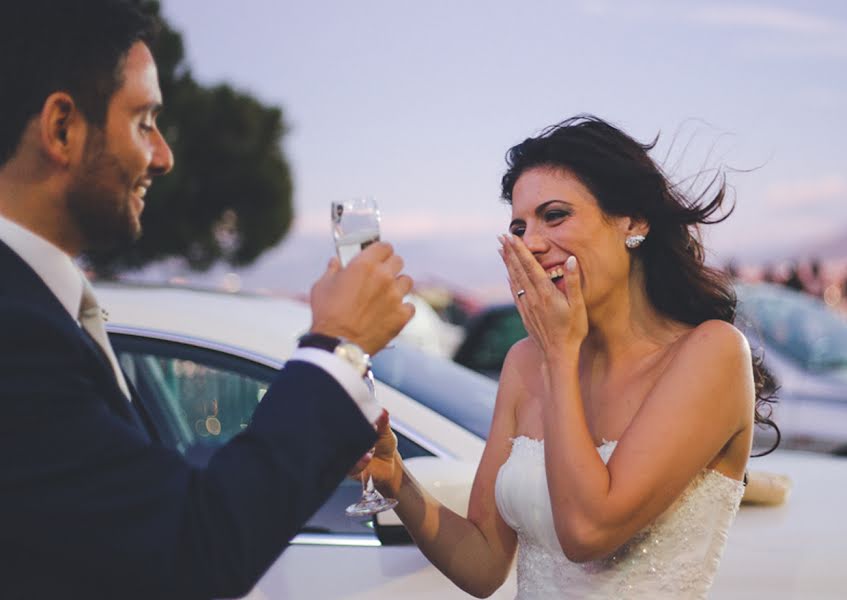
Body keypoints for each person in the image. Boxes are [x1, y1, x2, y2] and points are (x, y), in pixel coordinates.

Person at [0, 1, 414, 598]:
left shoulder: (40, 312)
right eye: (144, 121)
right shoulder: (14, 332)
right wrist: (338, 346)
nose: (164, 156)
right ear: (63, 127)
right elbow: (186, 551)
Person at [364, 115, 778, 599]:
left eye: (555, 215)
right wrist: (397, 481)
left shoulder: (711, 352)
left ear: (634, 220)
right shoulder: (524, 363)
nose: (532, 243)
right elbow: (482, 565)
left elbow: (588, 532)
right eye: (519, 226)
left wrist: (560, 354)